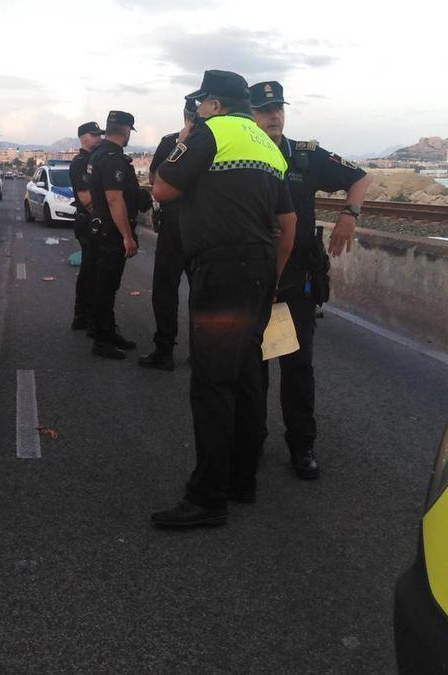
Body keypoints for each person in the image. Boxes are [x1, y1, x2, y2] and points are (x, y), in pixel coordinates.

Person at [150, 70, 297, 527]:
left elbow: (162, 188)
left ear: (212, 103)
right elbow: (287, 223)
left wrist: (188, 135)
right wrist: (270, 277)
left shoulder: (209, 134)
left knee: (212, 384)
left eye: (201, 104)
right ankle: (242, 480)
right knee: (249, 376)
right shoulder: (266, 144)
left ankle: (207, 498)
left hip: (220, 273)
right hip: (257, 271)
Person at [249, 80, 371, 479]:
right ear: (249, 114)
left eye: (278, 108)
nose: (274, 115)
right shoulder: (241, 153)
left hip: (295, 280)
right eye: (265, 109)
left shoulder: (306, 157)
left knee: (297, 367)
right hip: (252, 278)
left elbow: (359, 178)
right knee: (253, 367)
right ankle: (251, 443)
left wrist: (349, 215)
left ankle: (302, 445)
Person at [138, 97, 201, 371]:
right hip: (199, 226)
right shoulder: (215, 142)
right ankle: (197, 352)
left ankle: (165, 350)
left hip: (178, 224)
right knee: (197, 291)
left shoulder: (172, 142)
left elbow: (155, 181)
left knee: (167, 290)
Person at [86, 110, 144, 360]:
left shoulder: (98, 153)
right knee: (106, 286)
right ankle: (101, 339)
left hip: (103, 228)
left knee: (107, 285)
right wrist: (127, 237)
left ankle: (108, 332)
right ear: (126, 130)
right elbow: (114, 199)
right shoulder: (111, 158)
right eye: (130, 130)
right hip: (112, 231)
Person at [69, 121, 104, 333]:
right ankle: (85, 317)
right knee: (91, 272)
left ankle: (86, 316)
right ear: (83, 138)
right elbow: (86, 199)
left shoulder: (96, 159)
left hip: (94, 222)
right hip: (89, 222)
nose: (99, 138)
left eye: (100, 134)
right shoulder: (81, 162)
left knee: (94, 271)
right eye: (94, 135)